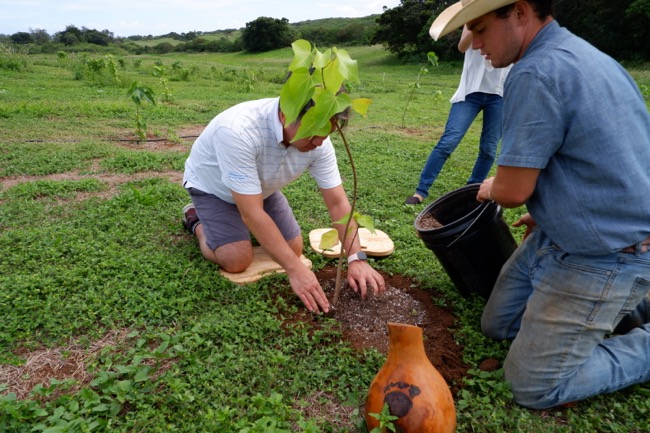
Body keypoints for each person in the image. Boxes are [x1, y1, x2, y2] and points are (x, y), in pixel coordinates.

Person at [430, 0, 650, 409]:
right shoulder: (580, 53)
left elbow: (511, 191)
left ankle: (636, 320)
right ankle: (621, 303)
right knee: (497, 326)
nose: (475, 44)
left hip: (605, 252)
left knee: (530, 387)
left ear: (520, 12)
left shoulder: (535, 71)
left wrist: (490, 185)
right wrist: (557, 207)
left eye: (480, 29)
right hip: (565, 234)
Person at [181, 96, 386, 314]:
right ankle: (196, 221)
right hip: (214, 189)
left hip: (261, 188)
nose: (319, 141)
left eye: (326, 133)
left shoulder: (318, 141)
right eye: (313, 133)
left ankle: (232, 229)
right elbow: (252, 213)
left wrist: (356, 257)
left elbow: (337, 203)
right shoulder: (238, 131)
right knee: (236, 259)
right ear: (284, 116)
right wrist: (295, 270)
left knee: (293, 249)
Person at [405, 25, 511, 205]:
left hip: (500, 93)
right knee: (449, 140)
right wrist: (474, 22)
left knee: (489, 148)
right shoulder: (471, 18)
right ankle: (421, 191)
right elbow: (462, 47)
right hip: (470, 92)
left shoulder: (509, 20)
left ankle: (472, 191)